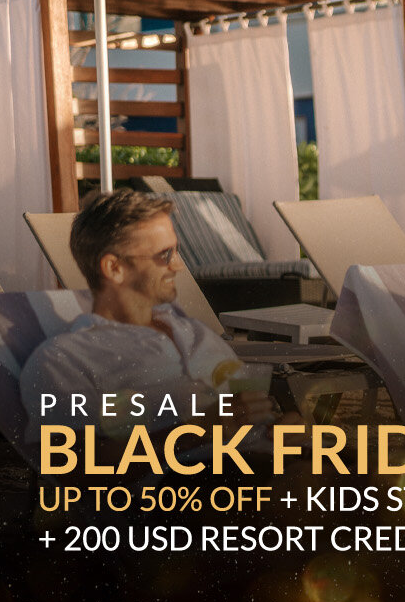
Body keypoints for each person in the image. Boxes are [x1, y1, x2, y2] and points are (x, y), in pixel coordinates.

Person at [20, 189, 272, 454]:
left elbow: (251, 414)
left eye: (177, 252)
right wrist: (191, 433)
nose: (178, 266)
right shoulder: (65, 359)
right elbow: (73, 467)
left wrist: (277, 427)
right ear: (114, 269)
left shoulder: (197, 332)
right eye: (165, 255)